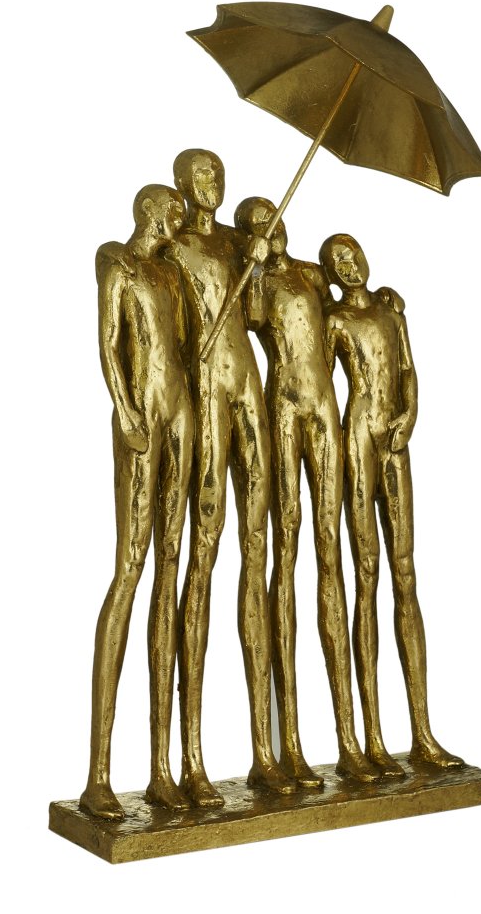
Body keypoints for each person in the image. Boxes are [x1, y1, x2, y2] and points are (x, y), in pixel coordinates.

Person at [166, 150, 292, 805]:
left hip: (249, 384)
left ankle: (266, 752)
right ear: (182, 185)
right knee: (204, 552)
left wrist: (262, 265)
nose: (211, 184)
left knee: (258, 546)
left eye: (217, 174)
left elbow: (264, 320)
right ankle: (191, 757)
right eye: (200, 175)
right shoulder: (174, 246)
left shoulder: (241, 246)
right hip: (206, 389)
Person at [240, 198, 380, 785]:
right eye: (257, 223)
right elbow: (250, 317)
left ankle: (350, 739)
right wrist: (252, 265)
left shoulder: (313, 276)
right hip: (283, 405)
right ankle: (288, 743)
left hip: (324, 405)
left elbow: (346, 311)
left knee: (332, 549)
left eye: (273, 217)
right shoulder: (257, 281)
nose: (271, 226)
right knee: (287, 547)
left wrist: (385, 300)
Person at [321, 233, 463, 770]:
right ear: (330, 274)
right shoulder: (335, 320)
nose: (350, 266)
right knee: (366, 574)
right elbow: (317, 380)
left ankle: (422, 731)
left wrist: (410, 414)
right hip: (357, 435)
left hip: (394, 436)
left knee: (406, 573)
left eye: (353, 254)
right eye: (338, 262)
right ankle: (371, 738)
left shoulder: (389, 309)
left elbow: (406, 368)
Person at [79, 185, 195, 820]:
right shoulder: (117, 262)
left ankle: (161, 768)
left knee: (171, 569)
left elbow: (184, 347)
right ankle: (98, 774)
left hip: (181, 412)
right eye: (174, 208)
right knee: (130, 568)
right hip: (142, 417)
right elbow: (109, 344)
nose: (182, 216)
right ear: (152, 212)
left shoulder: (173, 274)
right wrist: (125, 411)